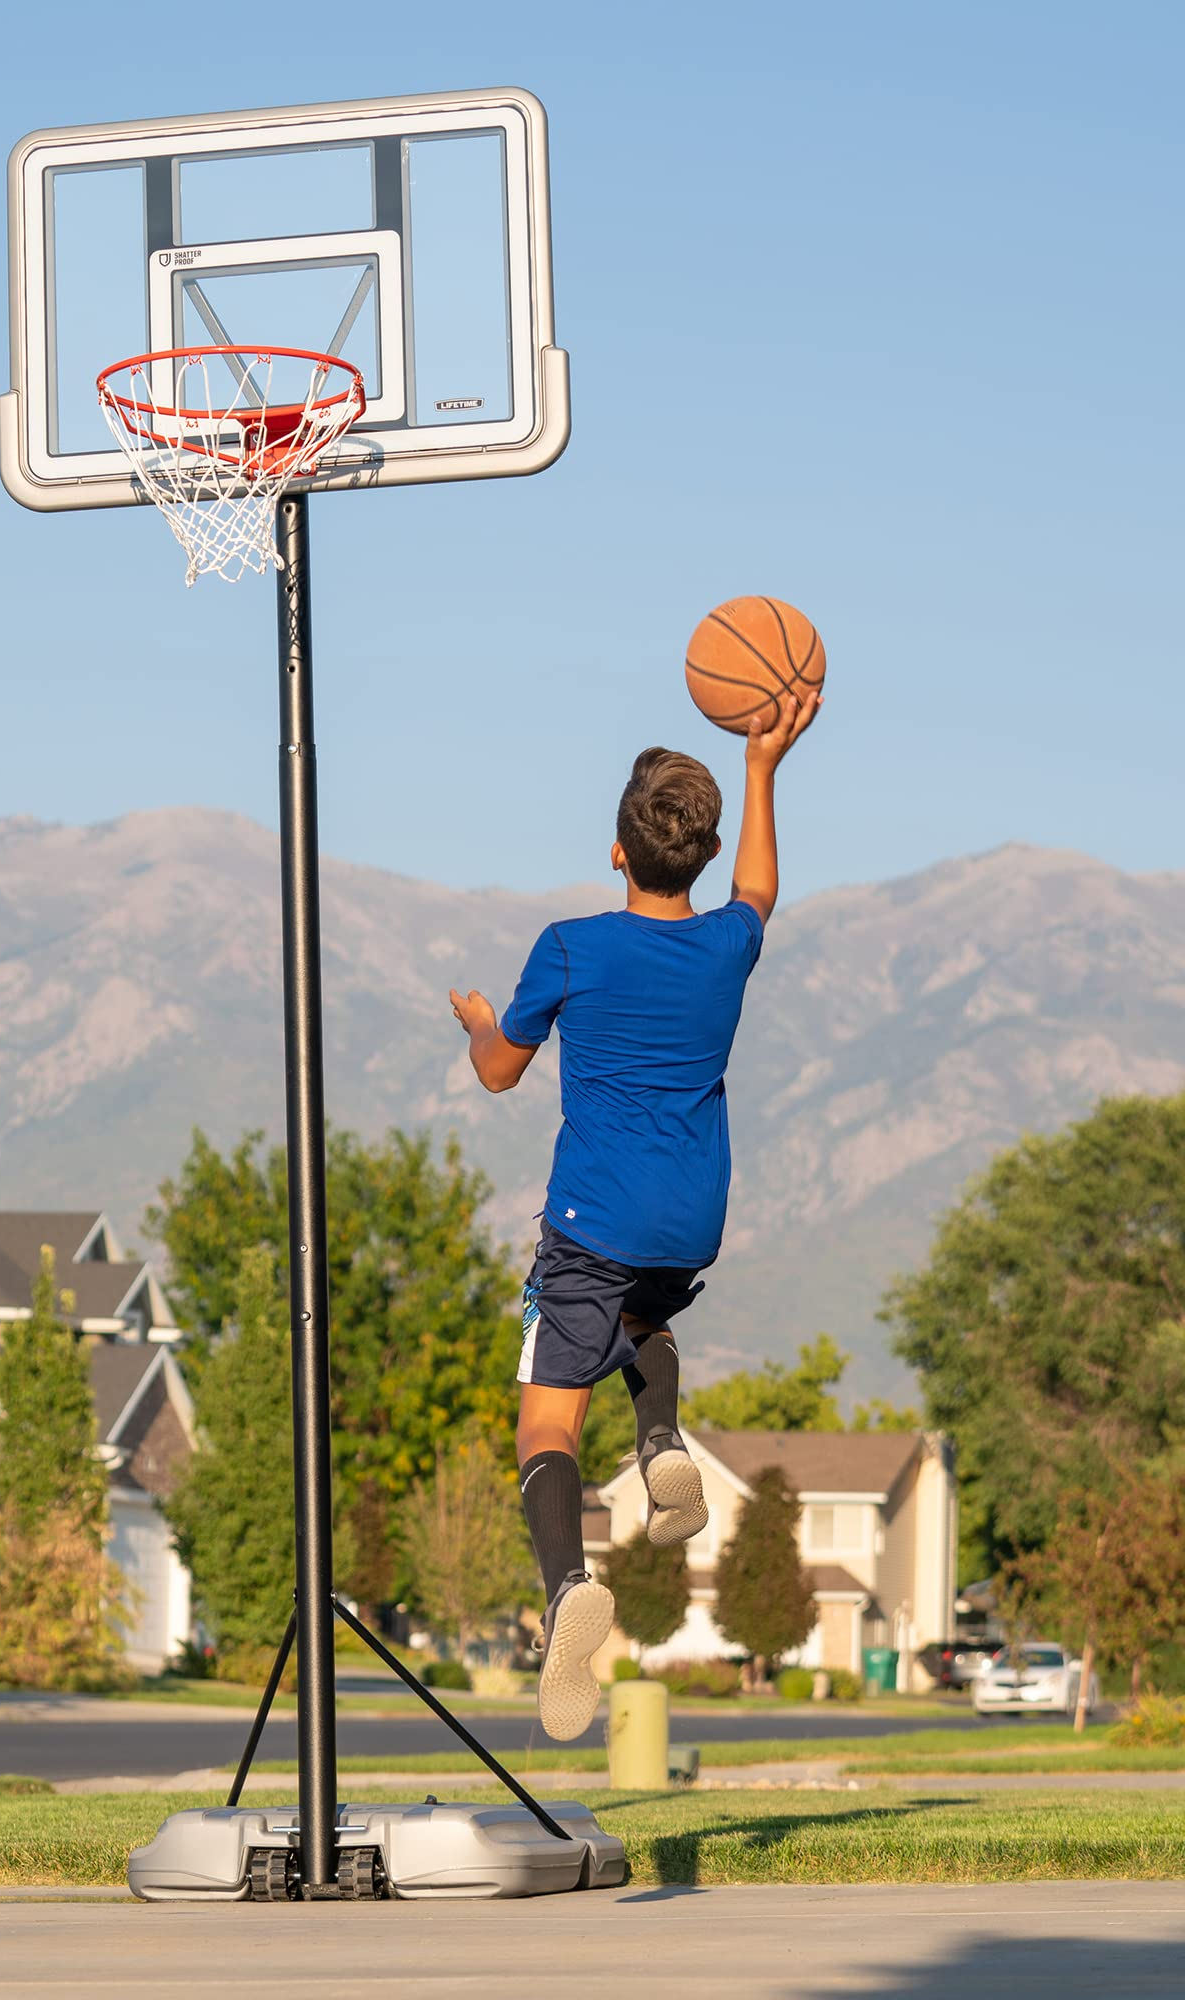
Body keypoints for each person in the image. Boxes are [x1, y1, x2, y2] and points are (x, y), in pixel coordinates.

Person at [448, 688, 821, 1738]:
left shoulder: (571, 945)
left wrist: (480, 1022)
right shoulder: (725, 948)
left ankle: (568, 1585)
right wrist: (759, 765)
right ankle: (659, 1435)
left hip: (593, 1219)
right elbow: (758, 886)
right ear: (693, 858)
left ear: (616, 851)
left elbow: (498, 1075)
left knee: (544, 1419)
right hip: (689, 1218)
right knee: (640, 1326)